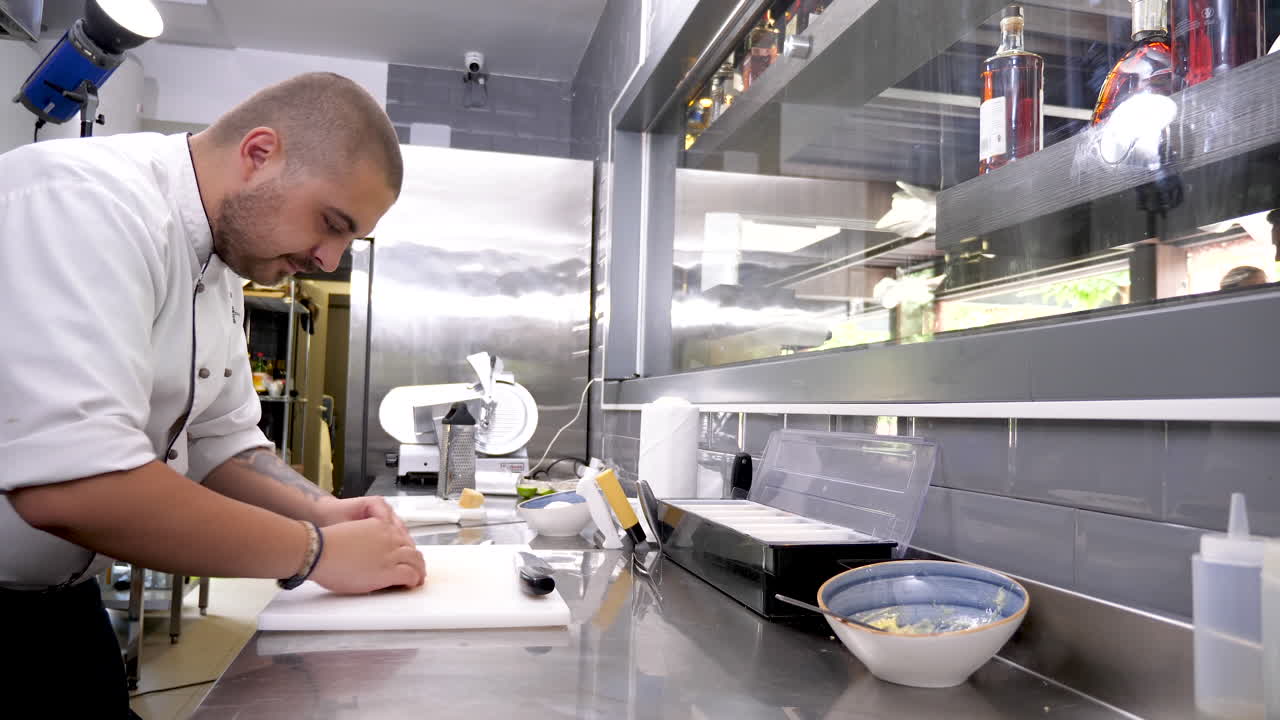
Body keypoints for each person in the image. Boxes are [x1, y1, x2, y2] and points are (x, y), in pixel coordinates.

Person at [0, 72, 426, 717]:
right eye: (330, 224)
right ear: (260, 153)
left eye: (348, 239)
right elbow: (72, 485)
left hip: (59, 604)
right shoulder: (84, 201)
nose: (330, 260)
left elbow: (220, 439)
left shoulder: (223, 263)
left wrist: (323, 510)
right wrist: (316, 553)